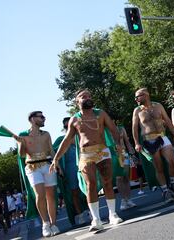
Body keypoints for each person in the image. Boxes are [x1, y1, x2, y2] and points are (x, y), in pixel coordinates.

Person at [49, 89, 123, 232]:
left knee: (107, 182)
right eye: (83, 97)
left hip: (102, 150)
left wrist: (118, 144)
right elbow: (66, 140)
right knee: (91, 185)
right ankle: (96, 219)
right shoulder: (75, 119)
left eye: (89, 96)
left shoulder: (100, 113)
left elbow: (113, 129)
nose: (87, 98)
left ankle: (113, 214)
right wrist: (56, 159)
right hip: (86, 154)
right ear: (77, 102)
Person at [132, 88, 174, 204]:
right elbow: (134, 128)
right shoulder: (137, 111)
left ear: (146, 95)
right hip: (149, 141)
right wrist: (136, 143)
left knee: (173, 162)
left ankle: (173, 184)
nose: (136, 99)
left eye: (138, 96)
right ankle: (165, 191)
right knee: (158, 167)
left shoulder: (158, 106)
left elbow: (168, 121)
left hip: (162, 137)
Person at [14, 111, 59, 237]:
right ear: (33, 119)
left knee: (51, 196)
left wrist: (57, 163)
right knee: (40, 194)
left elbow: (51, 149)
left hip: (47, 164)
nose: (44, 118)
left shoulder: (46, 134)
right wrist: (21, 143)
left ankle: (53, 224)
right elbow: (22, 154)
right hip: (33, 166)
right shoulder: (23, 135)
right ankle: (45, 223)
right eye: (41, 117)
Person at [53, 117, 88, 225]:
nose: (68, 127)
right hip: (70, 169)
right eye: (66, 126)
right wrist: (59, 169)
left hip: (84, 164)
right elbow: (53, 152)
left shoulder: (81, 135)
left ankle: (91, 211)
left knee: (88, 189)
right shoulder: (61, 139)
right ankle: (80, 215)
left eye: (70, 125)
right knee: (74, 192)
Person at [115, 124, 137, 210]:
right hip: (115, 155)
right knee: (119, 178)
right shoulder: (105, 129)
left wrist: (131, 152)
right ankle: (123, 200)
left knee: (126, 177)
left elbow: (126, 141)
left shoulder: (121, 128)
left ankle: (128, 199)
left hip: (124, 154)